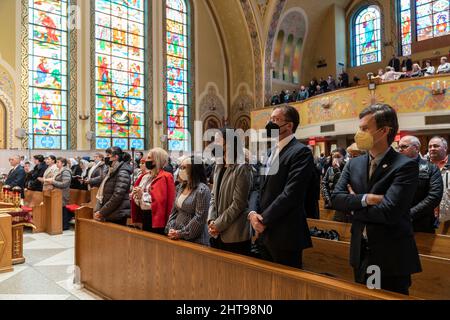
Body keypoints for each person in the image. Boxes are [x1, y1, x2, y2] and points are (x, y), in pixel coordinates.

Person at [331, 104, 422, 295]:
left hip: (389, 254)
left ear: (384, 131)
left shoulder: (405, 166)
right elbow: (336, 199)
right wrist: (365, 199)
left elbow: (389, 212)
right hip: (360, 250)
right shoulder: (354, 164)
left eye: (365, 128)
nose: (359, 133)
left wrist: (354, 206)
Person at [248, 105, 313, 268]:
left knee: (287, 290)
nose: (270, 124)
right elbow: (258, 186)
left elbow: (291, 193)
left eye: (275, 120)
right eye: (270, 119)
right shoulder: (270, 152)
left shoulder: (301, 152)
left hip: (285, 233)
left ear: (289, 125)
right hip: (264, 232)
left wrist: (264, 219)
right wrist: (253, 213)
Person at [208, 129, 253, 255]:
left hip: (235, 234)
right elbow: (213, 196)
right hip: (216, 233)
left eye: (217, 140)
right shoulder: (218, 166)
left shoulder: (242, 167)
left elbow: (239, 203)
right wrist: (211, 221)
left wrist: (218, 224)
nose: (214, 144)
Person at [399, 136, 443, 233]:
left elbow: (434, 196)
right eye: (399, 147)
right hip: (397, 223)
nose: (400, 150)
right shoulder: (393, 168)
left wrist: (410, 214)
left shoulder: (431, 168)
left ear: (416, 148)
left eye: (404, 147)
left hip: (421, 223)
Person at [165, 156, 211, 245]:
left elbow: (199, 218)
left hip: (195, 239)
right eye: (180, 167)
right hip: (177, 235)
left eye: (184, 168)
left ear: (194, 170)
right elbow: (174, 212)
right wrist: (170, 228)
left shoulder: (202, 190)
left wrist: (181, 233)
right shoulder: (180, 187)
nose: (181, 170)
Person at [130, 148, 175, 234]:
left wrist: (142, 195)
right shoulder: (145, 176)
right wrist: (137, 195)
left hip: (156, 218)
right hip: (144, 215)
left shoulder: (165, 176)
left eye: (149, 158)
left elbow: (160, 201)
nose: (146, 160)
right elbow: (136, 196)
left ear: (157, 160)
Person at [94, 147, 133, 225]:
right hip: (111, 212)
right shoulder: (111, 170)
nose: (106, 157)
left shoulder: (122, 172)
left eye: (108, 155)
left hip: (117, 213)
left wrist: (102, 212)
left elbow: (117, 196)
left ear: (116, 157)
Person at [322, 149, 350, 222]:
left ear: (344, 157)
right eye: (334, 157)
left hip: (342, 203)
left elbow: (343, 184)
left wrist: (337, 170)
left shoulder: (347, 168)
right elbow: (324, 184)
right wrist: (327, 199)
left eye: (338, 156)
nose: (335, 159)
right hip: (330, 201)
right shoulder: (329, 169)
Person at [46, 157, 72, 230]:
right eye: (56, 162)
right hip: (57, 193)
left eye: (58, 162)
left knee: (63, 209)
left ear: (63, 163)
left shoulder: (66, 171)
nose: (56, 164)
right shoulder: (59, 170)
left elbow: (65, 184)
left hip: (63, 193)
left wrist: (53, 182)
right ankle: (60, 224)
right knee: (60, 209)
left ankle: (65, 225)